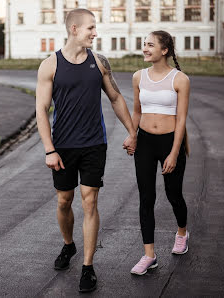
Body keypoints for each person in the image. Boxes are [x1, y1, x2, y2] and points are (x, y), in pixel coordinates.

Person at [36, 8, 137, 293]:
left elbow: (116, 97)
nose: (96, 32)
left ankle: (88, 267)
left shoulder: (99, 62)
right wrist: (49, 149)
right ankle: (69, 245)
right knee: (64, 202)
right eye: (91, 28)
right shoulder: (50, 65)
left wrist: (132, 132)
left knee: (89, 201)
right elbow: (41, 110)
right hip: (63, 147)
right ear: (74, 29)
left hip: (94, 144)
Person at [128, 30, 191, 276]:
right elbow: (136, 111)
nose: (145, 48)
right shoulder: (138, 77)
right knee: (146, 198)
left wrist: (174, 153)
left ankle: (182, 232)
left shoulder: (180, 79)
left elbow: (182, 119)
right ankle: (149, 255)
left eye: (150, 45)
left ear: (164, 50)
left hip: (169, 142)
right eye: (144, 44)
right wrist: (132, 135)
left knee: (173, 194)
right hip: (144, 142)